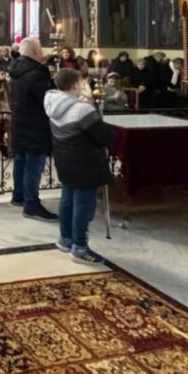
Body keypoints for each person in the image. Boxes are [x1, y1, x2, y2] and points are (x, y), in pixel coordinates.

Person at [44, 68, 115, 265]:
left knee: (67, 200)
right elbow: (104, 137)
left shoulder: (52, 103)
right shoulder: (82, 110)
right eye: (81, 82)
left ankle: (65, 239)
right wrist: (93, 108)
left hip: (64, 160)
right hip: (85, 163)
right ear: (75, 84)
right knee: (83, 205)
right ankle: (80, 248)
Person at [8, 37, 57, 221]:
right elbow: (46, 99)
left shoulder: (15, 68)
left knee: (21, 158)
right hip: (35, 123)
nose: (43, 52)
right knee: (34, 163)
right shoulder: (35, 73)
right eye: (41, 48)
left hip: (20, 120)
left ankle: (19, 196)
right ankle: (31, 205)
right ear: (35, 51)